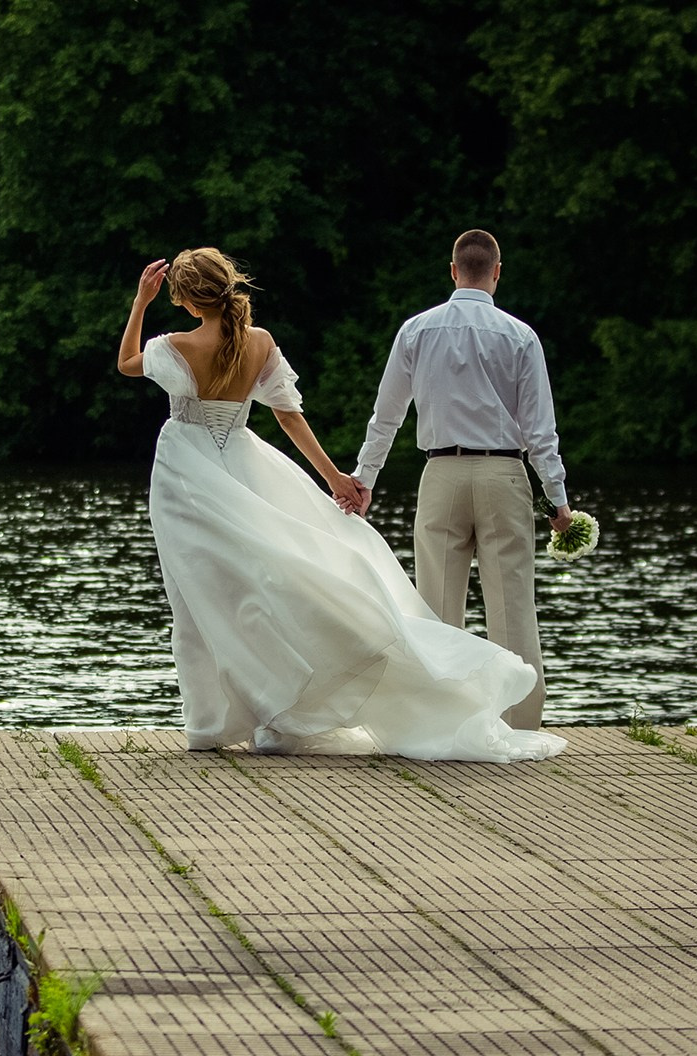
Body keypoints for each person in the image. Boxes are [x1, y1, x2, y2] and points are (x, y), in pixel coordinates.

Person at [115, 246, 563, 762]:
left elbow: (128, 363)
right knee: (267, 587)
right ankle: (269, 709)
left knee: (199, 596)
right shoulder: (258, 342)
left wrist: (140, 303)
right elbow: (289, 418)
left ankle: (215, 720)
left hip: (187, 477)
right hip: (243, 465)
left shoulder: (176, 344)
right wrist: (337, 479)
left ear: (187, 299)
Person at [345, 229, 571, 728]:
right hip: (504, 473)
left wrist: (365, 480)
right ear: (496, 272)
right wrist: (557, 500)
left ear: (452, 271)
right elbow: (540, 430)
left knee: (438, 608)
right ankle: (520, 726)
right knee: (512, 607)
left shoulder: (416, 331)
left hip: (441, 474)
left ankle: (441, 722)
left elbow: (386, 417)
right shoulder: (520, 336)